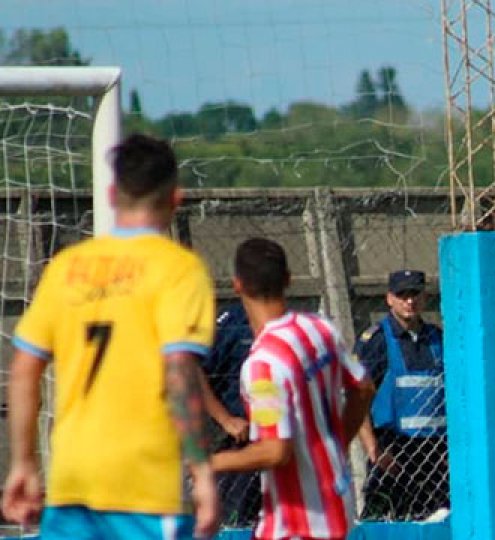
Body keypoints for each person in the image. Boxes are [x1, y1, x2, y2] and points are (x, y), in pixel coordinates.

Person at [1, 134, 219, 539]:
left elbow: (24, 369)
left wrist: (23, 462)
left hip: (72, 479)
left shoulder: (65, 267)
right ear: (176, 198)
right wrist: (201, 470)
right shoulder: (179, 270)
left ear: (111, 194)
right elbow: (178, 369)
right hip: (142, 485)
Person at [211, 237, 375, 540]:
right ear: (288, 279)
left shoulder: (263, 364)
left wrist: (212, 463)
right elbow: (363, 388)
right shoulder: (320, 329)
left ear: (237, 285)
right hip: (338, 505)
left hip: (296, 524)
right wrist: (335, 443)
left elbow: (275, 451)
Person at [355, 270, 449, 521]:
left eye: (415, 294)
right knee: (382, 520)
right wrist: (373, 448)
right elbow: (356, 397)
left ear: (425, 297)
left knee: (436, 519)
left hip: (435, 453)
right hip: (393, 449)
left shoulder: (438, 338)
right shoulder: (376, 340)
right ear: (389, 299)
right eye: (402, 295)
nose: (409, 301)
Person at [198, 304, 260, 527]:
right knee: (235, 521)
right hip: (240, 442)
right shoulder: (231, 324)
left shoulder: (291, 325)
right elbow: (193, 370)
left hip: (284, 440)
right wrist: (225, 419)